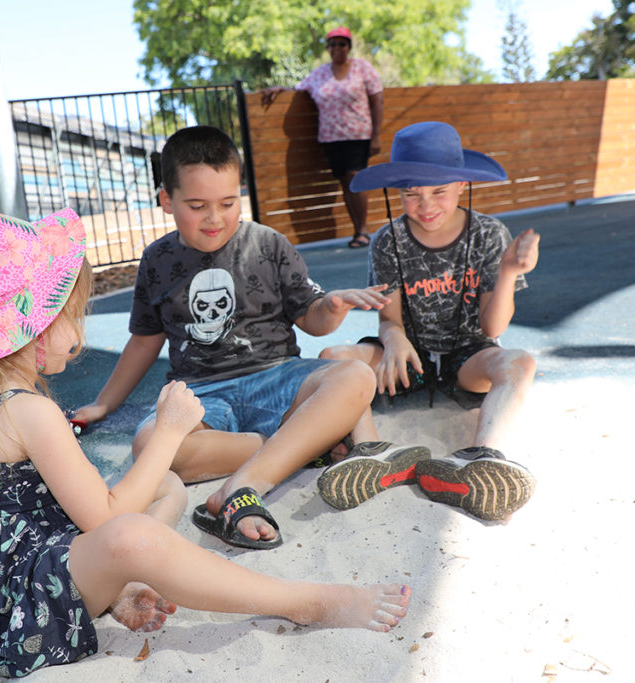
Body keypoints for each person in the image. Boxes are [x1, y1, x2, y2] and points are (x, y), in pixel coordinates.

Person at [0, 210, 412, 677]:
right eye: (70, 313)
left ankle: (124, 587)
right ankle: (302, 601)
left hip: (4, 571)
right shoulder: (31, 412)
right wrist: (172, 430)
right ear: (34, 329)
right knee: (133, 536)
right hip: (23, 602)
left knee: (166, 485)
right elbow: (107, 520)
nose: (79, 327)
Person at [73, 125, 428, 551]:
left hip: (277, 377)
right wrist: (104, 403)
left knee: (353, 377)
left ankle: (245, 484)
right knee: (151, 444)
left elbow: (312, 320)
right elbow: (145, 340)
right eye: (197, 205)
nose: (214, 217)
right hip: (202, 393)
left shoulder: (269, 244)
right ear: (166, 200)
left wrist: (331, 308)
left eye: (228, 203)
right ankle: (299, 444)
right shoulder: (157, 260)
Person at [317, 121, 540, 522]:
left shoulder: (489, 233)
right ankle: (373, 451)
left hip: (468, 357)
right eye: (411, 194)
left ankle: (480, 457)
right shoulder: (388, 240)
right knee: (333, 355)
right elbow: (389, 319)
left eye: (439, 191)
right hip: (405, 359)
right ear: (397, 192)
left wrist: (506, 273)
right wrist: (396, 336)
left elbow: (493, 330)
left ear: (461, 185)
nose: (426, 205)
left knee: (520, 363)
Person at [261, 26, 384, 249]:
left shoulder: (362, 68)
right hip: (330, 137)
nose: (338, 48)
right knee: (345, 183)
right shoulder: (319, 73)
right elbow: (298, 89)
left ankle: (363, 230)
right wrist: (280, 89)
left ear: (349, 47)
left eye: (342, 43)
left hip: (358, 135)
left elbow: (377, 100)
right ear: (328, 48)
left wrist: (376, 135)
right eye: (333, 44)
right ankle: (357, 230)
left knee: (356, 177)